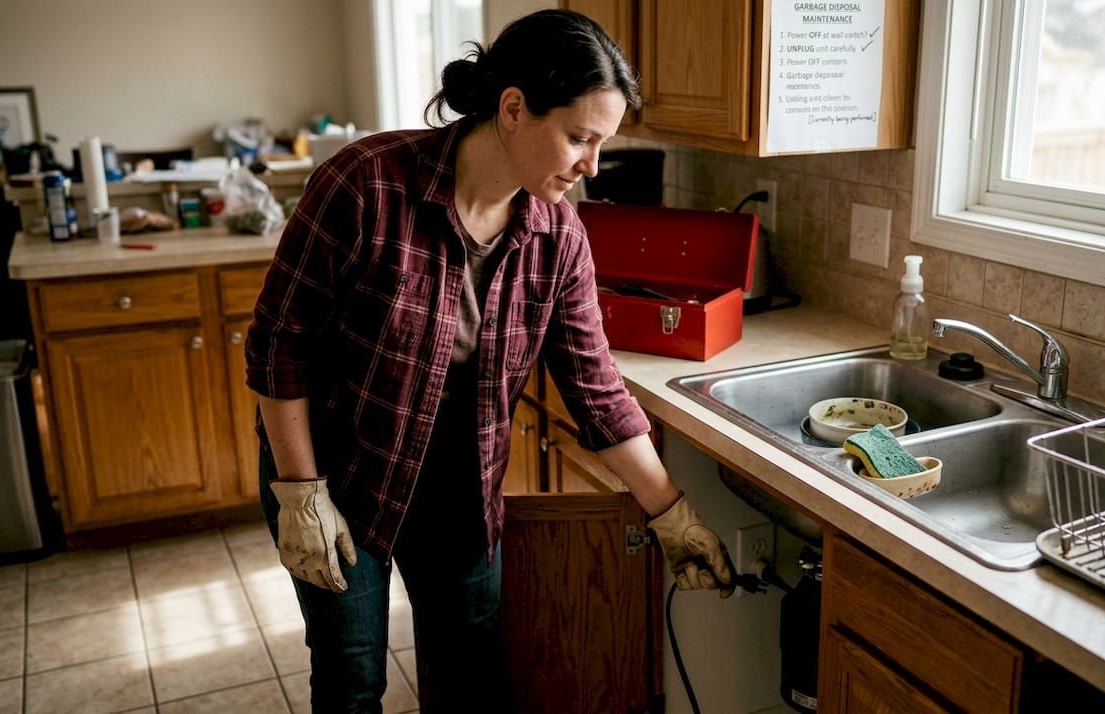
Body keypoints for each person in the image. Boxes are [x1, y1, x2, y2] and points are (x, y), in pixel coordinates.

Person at [245, 8, 737, 712]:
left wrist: (671, 515)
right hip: (338, 472)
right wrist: (299, 490)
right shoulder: (364, 185)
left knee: (470, 677)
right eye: (579, 139)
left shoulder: (557, 234)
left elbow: (594, 390)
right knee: (353, 677)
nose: (590, 168)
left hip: (460, 484)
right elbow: (277, 344)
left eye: (601, 145)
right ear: (512, 109)